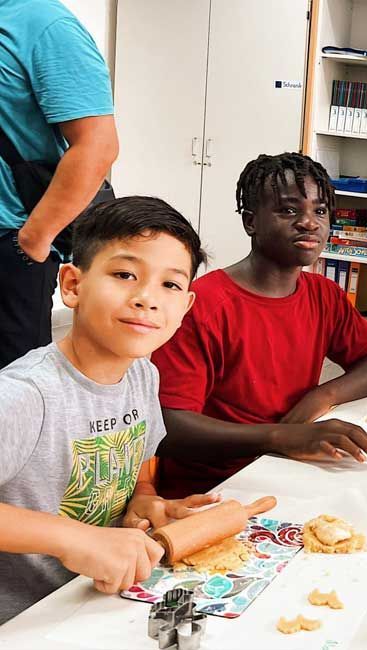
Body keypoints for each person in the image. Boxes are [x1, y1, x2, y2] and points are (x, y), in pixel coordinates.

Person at [0, 197, 216, 624]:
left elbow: (139, 466)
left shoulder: (142, 375)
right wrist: (71, 537)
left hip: (94, 604)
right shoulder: (25, 395)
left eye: (169, 285)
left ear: (186, 308)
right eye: (124, 274)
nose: (146, 299)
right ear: (73, 285)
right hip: (27, 623)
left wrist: (144, 500)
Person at [151, 153, 367, 498]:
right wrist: (279, 436)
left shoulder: (323, 294)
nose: (309, 222)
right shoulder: (203, 306)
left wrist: (323, 395)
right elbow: (168, 427)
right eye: (288, 210)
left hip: (287, 468)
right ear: (251, 222)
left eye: (320, 211)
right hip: (214, 489)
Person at [0, 0, 119, 368]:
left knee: (12, 391)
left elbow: (98, 145)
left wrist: (32, 243)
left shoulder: (41, 23)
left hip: (11, 243)